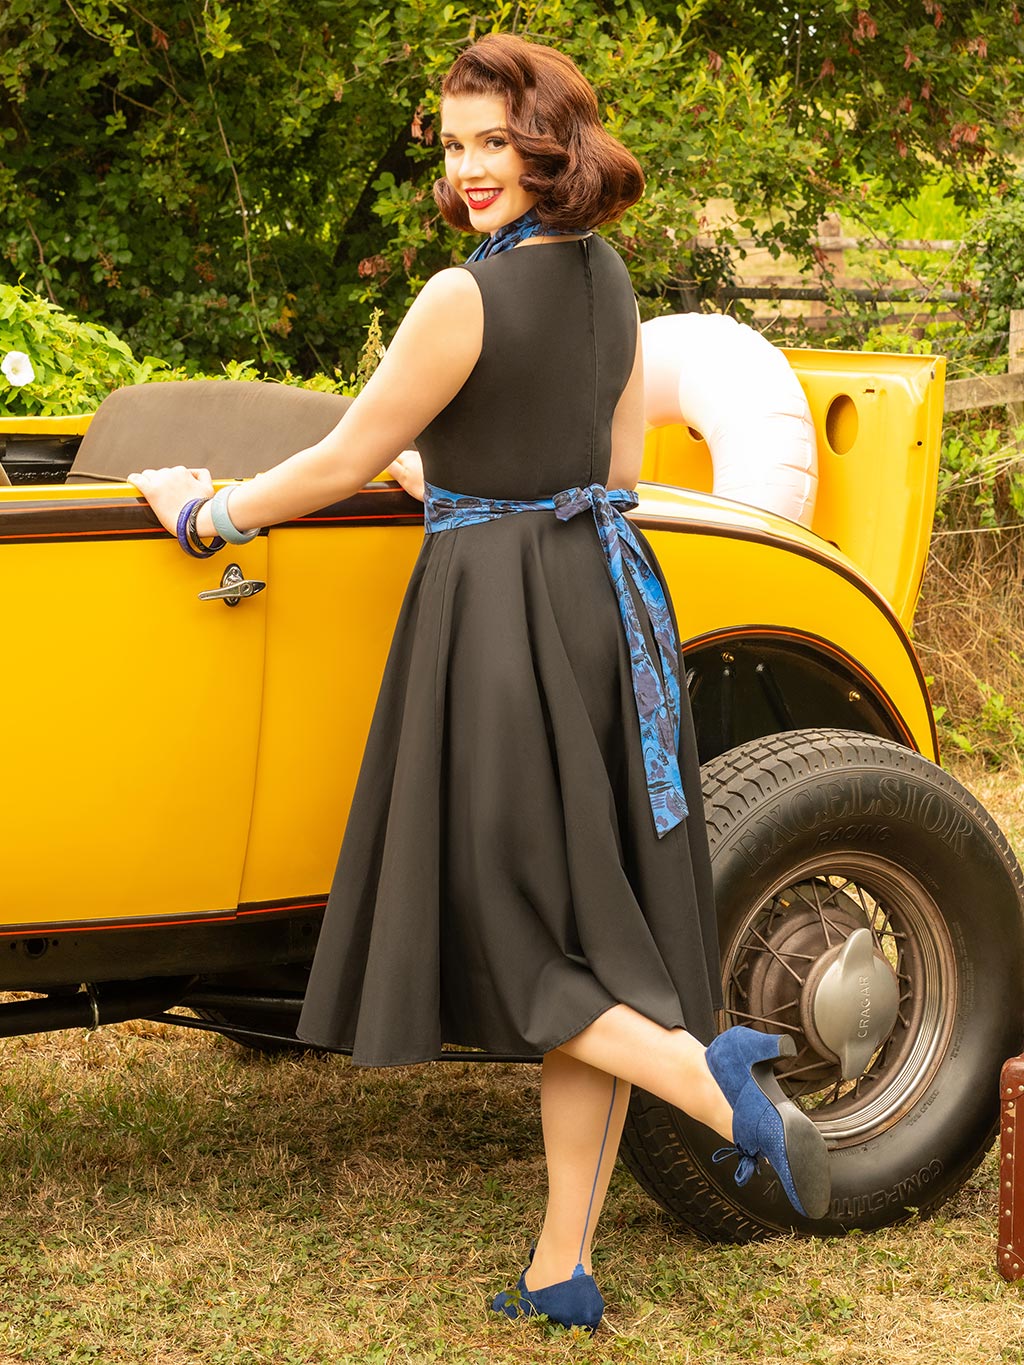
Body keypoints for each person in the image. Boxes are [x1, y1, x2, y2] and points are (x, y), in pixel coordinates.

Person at [128, 32, 830, 1334]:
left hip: (498, 622)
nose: (467, 173)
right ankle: (564, 1263)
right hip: (601, 602)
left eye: (490, 144)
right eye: (452, 148)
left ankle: (718, 1083)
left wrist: (209, 515)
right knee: (589, 938)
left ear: (547, 141)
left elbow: (342, 455)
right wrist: (452, 478)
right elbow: (606, 469)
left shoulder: (462, 296)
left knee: (512, 934)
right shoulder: (611, 280)